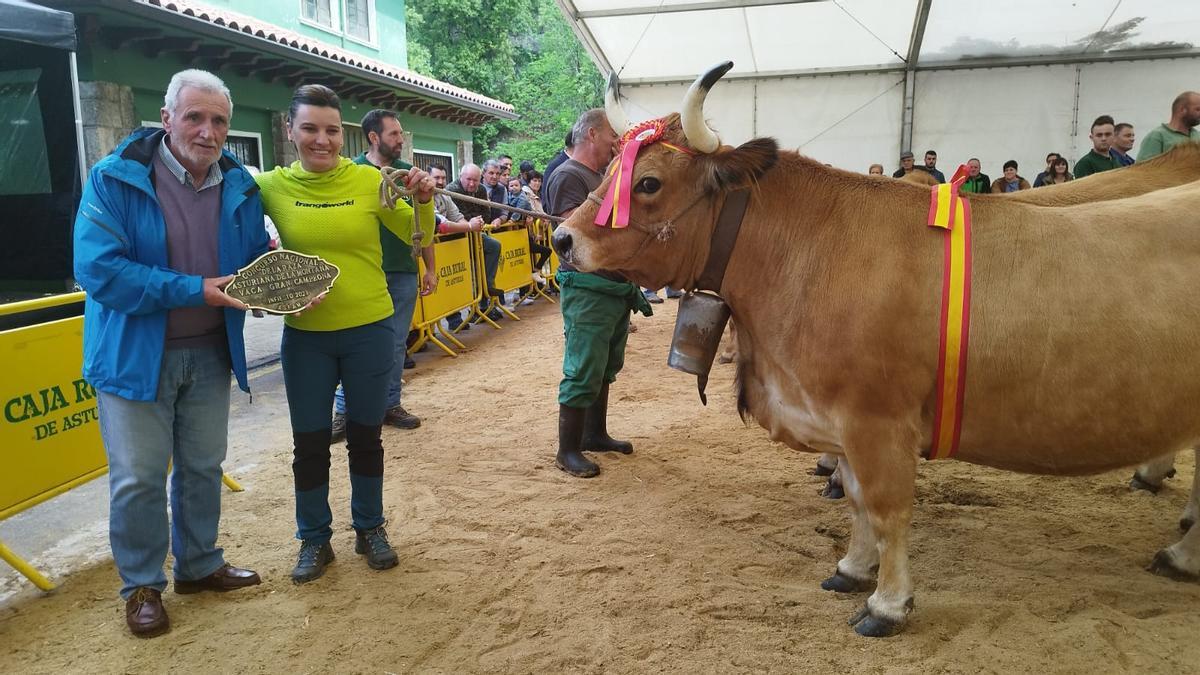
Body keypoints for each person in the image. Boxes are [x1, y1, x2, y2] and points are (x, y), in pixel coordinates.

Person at [72, 69, 266, 638]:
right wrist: (198, 289)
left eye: (219, 121)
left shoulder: (241, 185)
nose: (207, 131)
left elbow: (252, 259)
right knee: (138, 478)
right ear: (167, 119)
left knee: (203, 468)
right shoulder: (113, 178)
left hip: (210, 352)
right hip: (135, 358)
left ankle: (200, 565)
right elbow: (100, 271)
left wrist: (275, 291)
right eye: (195, 117)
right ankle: (141, 586)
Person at [253, 84, 436, 584]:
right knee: (309, 443)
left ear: (344, 134)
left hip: (371, 330)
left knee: (365, 435)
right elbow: (240, 240)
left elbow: (417, 232)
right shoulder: (269, 186)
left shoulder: (368, 179)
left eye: (332, 130)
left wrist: (422, 199)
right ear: (290, 130)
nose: (322, 140)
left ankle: (370, 527)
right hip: (306, 337)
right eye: (310, 128)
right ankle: (314, 539)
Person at [544, 108, 653, 478]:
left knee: (604, 364)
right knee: (583, 366)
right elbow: (574, 233)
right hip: (587, 288)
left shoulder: (598, 174)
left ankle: (594, 434)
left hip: (612, 285)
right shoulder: (567, 176)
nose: (616, 144)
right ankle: (567, 450)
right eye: (611, 137)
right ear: (591, 134)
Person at [330, 109, 432, 442]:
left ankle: (390, 404)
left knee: (394, 344)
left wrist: (430, 268)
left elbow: (422, 228)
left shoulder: (408, 175)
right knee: (355, 344)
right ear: (374, 137)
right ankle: (345, 410)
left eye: (401, 134)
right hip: (362, 272)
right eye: (394, 134)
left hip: (402, 270)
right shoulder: (351, 172)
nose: (401, 140)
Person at [445, 163, 504, 325]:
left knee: (493, 246)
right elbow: (459, 215)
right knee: (455, 276)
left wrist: (475, 220)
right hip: (454, 237)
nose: (472, 184)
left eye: (475, 180)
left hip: (475, 234)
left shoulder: (482, 190)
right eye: (468, 180)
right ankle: (455, 318)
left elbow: (486, 213)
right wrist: (473, 221)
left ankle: (487, 291)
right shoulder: (452, 189)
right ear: (460, 176)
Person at [1137, 91, 1200, 161]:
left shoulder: (1198, 135)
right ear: (1182, 110)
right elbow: (1142, 170)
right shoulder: (1157, 136)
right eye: (1198, 109)